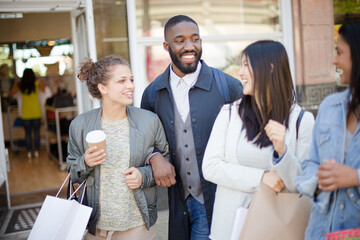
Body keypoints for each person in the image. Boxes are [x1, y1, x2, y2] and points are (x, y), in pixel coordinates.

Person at [141, 15, 243, 240]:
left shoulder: (229, 86)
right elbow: (146, 142)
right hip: (178, 204)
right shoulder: (152, 93)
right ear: (166, 46)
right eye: (180, 41)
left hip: (220, 201)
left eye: (195, 39)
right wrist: (154, 156)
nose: (190, 46)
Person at [202, 40, 315, 239]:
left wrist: (283, 152)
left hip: (276, 229)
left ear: (269, 68)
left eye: (247, 65)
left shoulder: (301, 121)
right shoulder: (229, 114)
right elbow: (210, 167)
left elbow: (304, 185)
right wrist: (261, 178)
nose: (240, 73)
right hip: (229, 230)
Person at [67, 56, 169, 240]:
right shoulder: (80, 125)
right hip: (96, 227)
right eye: (121, 81)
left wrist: (143, 175)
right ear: (102, 87)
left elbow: (166, 161)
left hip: (137, 225)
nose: (130, 86)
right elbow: (73, 173)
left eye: (131, 80)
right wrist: (85, 162)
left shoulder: (149, 121)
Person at [294, 21, 360, 239]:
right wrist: (317, 179)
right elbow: (311, 162)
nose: (334, 60)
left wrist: (355, 177)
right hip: (319, 232)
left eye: (339, 52)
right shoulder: (329, 105)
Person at [8, 68, 46, 158]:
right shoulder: (36, 84)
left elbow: (10, 94)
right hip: (36, 112)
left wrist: (14, 85)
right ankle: (36, 151)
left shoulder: (19, 85)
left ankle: (29, 152)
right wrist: (40, 80)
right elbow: (44, 90)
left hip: (25, 114)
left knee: (28, 133)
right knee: (37, 133)